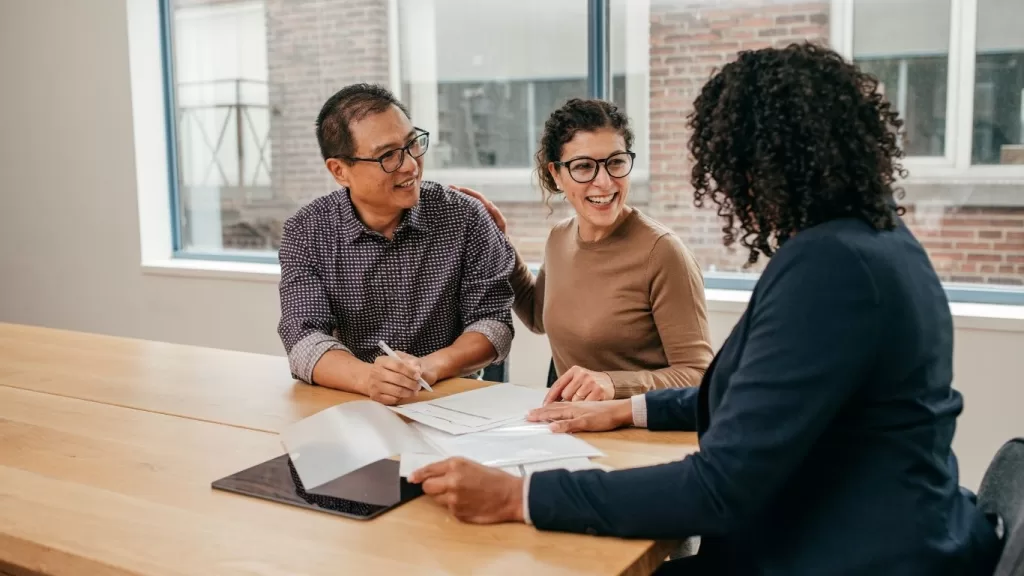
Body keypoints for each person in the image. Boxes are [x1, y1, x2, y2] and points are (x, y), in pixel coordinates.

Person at [410, 44, 1004, 574]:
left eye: (730, 169)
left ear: (766, 166)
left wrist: (521, 498)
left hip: (853, 551)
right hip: (870, 527)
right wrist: (627, 411)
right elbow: (755, 397)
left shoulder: (834, 269)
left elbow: (721, 487)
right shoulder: (869, 243)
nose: (728, 191)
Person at [456, 98, 714, 405]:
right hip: (573, 425)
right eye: (583, 167)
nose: (604, 182)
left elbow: (698, 375)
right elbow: (539, 317)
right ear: (556, 174)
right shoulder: (559, 237)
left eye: (616, 162)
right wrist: (500, 242)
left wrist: (612, 383)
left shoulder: (663, 252)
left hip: (639, 435)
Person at [276, 83, 516, 405]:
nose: (410, 165)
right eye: (387, 155)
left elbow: (494, 323)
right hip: (351, 401)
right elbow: (303, 337)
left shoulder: (465, 216)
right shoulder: (306, 231)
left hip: (449, 398)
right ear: (339, 170)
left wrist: (429, 367)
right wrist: (368, 378)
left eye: (412, 144)